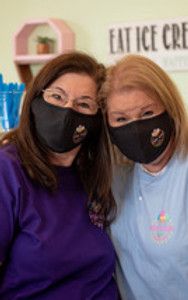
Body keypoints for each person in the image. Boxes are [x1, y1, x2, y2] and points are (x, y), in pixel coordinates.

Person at [0, 51, 119, 299]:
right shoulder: (8, 171)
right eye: (57, 96)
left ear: (96, 119)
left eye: (83, 104)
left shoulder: (94, 174)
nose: (67, 111)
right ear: (36, 99)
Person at [101, 54, 188, 300]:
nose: (136, 128)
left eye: (148, 113)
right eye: (121, 119)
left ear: (170, 109)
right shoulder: (115, 176)